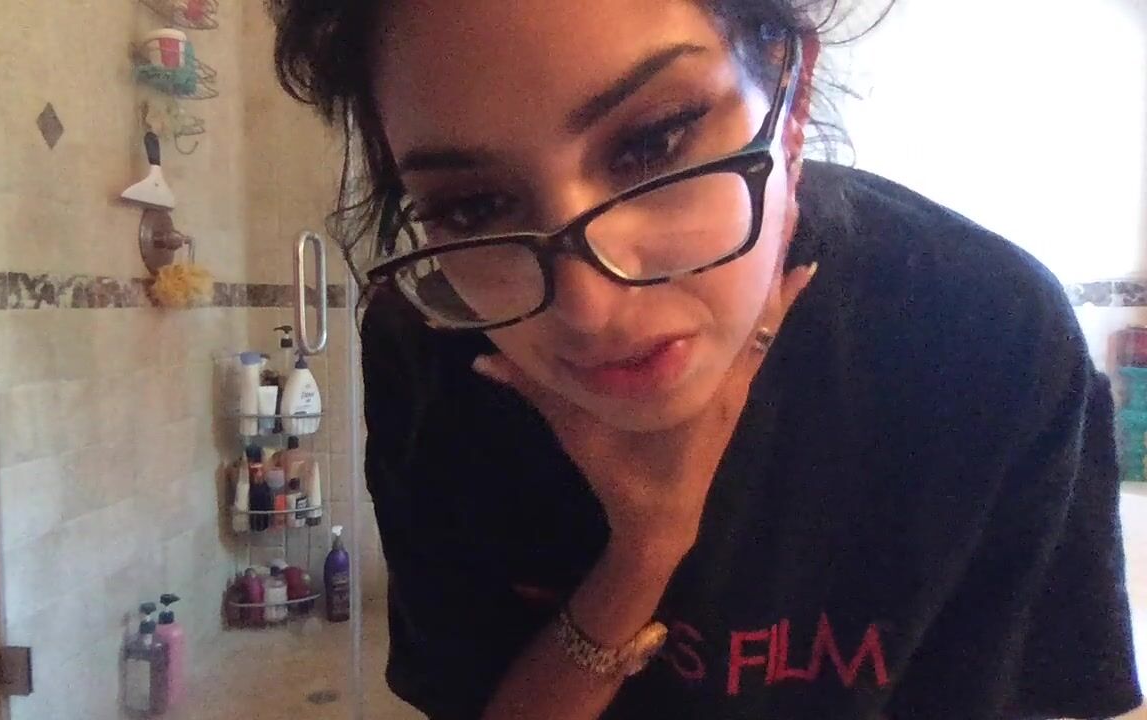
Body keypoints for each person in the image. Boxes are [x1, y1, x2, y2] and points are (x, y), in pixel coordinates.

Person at [268, 1, 1143, 717]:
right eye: (473, 207)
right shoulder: (432, 350)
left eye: (654, 142)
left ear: (791, 100)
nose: (590, 307)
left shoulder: (983, 329)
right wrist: (646, 549)